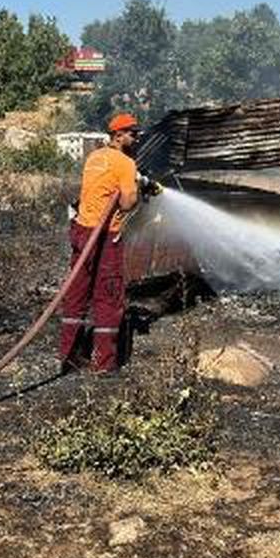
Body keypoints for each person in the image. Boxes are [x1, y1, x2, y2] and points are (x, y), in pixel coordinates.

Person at [59, 112, 160, 374]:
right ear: (119, 135)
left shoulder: (95, 157)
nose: (136, 138)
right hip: (104, 236)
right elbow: (127, 204)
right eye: (132, 133)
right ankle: (103, 364)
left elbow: (100, 189)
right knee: (108, 296)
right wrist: (138, 189)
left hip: (82, 231)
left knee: (77, 293)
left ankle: (69, 358)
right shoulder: (125, 164)